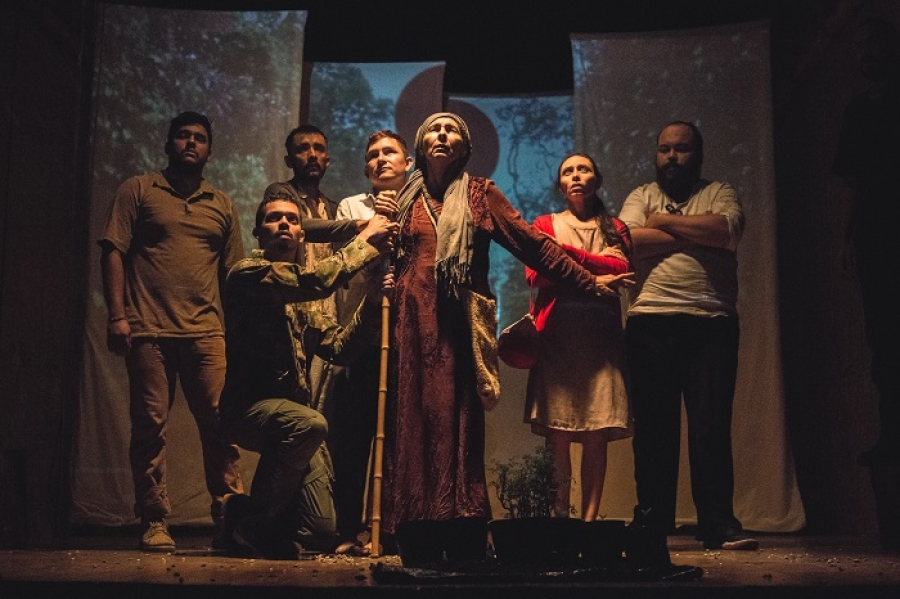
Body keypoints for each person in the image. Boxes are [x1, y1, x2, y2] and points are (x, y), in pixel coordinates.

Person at [376, 112, 634, 552]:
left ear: (465, 148)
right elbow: (396, 255)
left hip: (457, 325)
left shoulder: (480, 195)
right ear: (419, 145)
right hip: (411, 324)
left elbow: (534, 246)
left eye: (451, 129)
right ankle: (411, 526)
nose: (442, 134)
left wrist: (589, 282)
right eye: (434, 128)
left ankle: (460, 525)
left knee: (453, 417)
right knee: (412, 417)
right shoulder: (403, 200)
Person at [217, 193, 398, 560]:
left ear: (301, 235)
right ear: (258, 233)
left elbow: (342, 348)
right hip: (247, 411)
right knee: (310, 424)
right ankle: (257, 521)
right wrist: (365, 239)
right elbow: (316, 280)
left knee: (321, 531)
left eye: (292, 219)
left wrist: (371, 300)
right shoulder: (247, 274)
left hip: (291, 421)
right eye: (273, 219)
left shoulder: (304, 306)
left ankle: (242, 516)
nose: (284, 223)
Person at [98, 111, 245, 552]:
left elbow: (234, 275)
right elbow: (113, 251)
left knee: (221, 424)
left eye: (199, 138)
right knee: (150, 425)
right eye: (182, 136)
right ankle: (155, 518)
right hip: (149, 330)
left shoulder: (221, 204)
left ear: (210, 151)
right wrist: (117, 315)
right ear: (168, 144)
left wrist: (239, 334)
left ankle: (229, 519)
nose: (190, 143)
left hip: (207, 333)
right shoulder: (139, 189)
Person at [618, 121, 755, 557]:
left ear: (698, 154)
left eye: (681, 149)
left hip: (711, 322)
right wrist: (694, 234)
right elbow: (627, 242)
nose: (671, 157)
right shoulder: (641, 195)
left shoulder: (719, 191)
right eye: (664, 149)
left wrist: (662, 224)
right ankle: (652, 522)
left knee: (709, 426)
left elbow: (726, 231)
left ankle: (718, 523)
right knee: (653, 431)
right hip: (649, 322)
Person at [523, 153, 634, 521]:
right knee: (558, 433)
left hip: (601, 343)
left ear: (595, 180)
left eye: (582, 169)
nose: (575, 175)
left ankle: (588, 522)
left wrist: (562, 256)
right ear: (560, 185)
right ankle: (560, 519)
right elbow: (535, 275)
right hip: (558, 338)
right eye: (567, 171)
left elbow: (623, 268)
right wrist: (598, 273)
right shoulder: (544, 224)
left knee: (596, 433)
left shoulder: (615, 228)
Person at [330, 130, 413, 552]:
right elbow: (344, 259)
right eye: (373, 155)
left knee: (398, 436)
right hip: (362, 335)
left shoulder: (421, 205)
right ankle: (349, 529)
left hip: (407, 337)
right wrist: (374, 230)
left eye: (389, 152)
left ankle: (390, 528)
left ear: (408, 163)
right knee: (354, 437)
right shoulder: (351, 206)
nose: (381, 159)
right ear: (366, 168)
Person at [831, 18, 900, 467]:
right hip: (876, 234)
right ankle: (892, 436)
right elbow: (851, 182)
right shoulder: (857, 111)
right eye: (859, 49)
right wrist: (846, 237)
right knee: (883, 338)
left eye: (871, 46)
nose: (864, 56)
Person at [262, 124, 342, 419]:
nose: (312, 155)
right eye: (302, 149)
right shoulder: (281, 195)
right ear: (289, 159)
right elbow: (308, 227)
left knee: (320, 409)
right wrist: (357, 226)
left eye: (318, 149)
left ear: (327, 160)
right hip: (290, 317)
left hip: (326, 320)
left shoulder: (332, 208)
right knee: (288, 406)